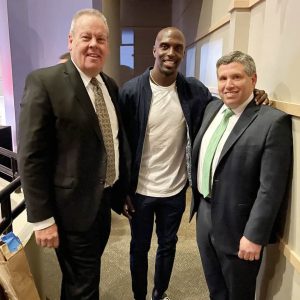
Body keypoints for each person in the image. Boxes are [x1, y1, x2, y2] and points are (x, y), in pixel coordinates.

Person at [119, 27, 268, 300]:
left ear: (182, 53)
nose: (170, 53)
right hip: (140, 192)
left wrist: (254, 94)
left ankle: (158, 293)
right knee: (138, 247)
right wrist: (122, 190)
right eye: (164, 46)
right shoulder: (130, 92)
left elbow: (226, 103)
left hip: (176, 191)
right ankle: (139, 296)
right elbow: (121, 145)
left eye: (177, 48)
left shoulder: (194, 91)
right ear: (154, 50)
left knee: (168, 246)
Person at [18, 8, 130, 300]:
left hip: (102, 203)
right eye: (86, 37)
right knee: (83, 284)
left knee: (84, 279)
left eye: (101, 39)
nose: (94, 44)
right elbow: (31, 156)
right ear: (71, 41)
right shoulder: (45, 82)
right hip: (69, 211)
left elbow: (115, 141)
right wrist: (42, 219)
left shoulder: (109, 85)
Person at [190, 50, 293, 300]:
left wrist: (254, 235)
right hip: (205, 213)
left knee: (239, 294)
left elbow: (271, 187)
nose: (228, 85)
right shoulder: (212, 108)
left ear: (253, 80)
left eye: (236, 77)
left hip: (239, 227)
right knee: (215, 288)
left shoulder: (272, 122)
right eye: (223, 78)